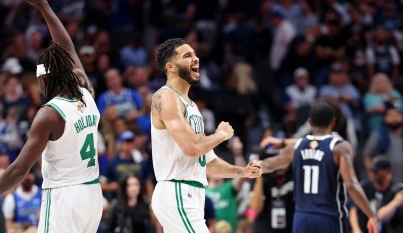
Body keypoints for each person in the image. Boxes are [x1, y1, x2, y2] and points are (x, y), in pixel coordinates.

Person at [0, 0, 103, 233]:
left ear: (45, 79)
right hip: (92, 195)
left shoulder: (50, 113)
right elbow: (68, 49)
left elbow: (20, 168)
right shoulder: (86, 91)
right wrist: (44, 5)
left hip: (64, 198)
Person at [150, 38, 262, 232]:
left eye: (195, 54)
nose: (196, 59)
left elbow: (208, 162)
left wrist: (241, 171)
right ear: (171, 67)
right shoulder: (166, 97)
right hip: (177, 189)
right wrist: (221, 135)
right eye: (187, 56)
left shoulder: (191, 106)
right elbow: (192, 148)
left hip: (191, 191)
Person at [260, 102, 378, 233]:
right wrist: (371, 215)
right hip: (329, 216)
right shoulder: (340, 147)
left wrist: (245, 169)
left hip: (302, 217)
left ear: (310, 122)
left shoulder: (296, 146)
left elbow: (270, 164)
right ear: (333, 122)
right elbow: (351, 185)